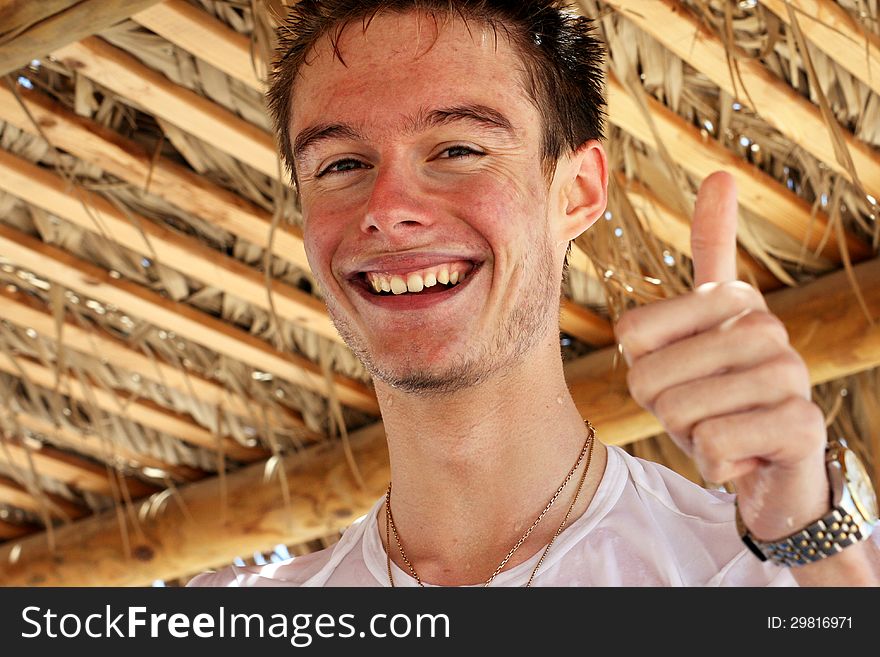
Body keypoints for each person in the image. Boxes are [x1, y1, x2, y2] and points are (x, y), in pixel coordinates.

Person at [189, 0, 879, 587]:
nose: (388, 206)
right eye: (341, 164)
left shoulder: (761, 572)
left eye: (458, 149)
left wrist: (814, 546)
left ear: (575, 192)